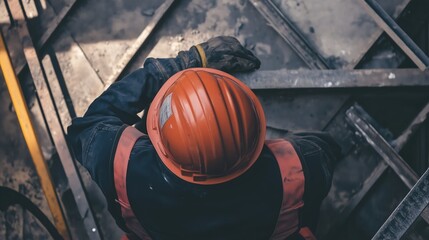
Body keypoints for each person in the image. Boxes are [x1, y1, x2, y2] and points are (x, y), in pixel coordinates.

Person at [68, 36, 341, 240]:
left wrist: (181, 64)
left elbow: (85, 127)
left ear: (161, 142)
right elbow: (326, 149)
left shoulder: (115, 161)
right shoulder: (303, 167)